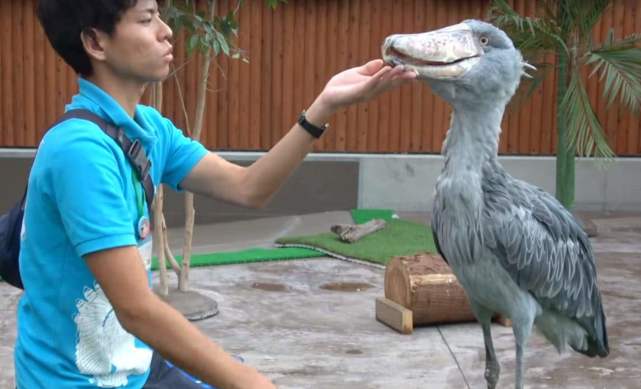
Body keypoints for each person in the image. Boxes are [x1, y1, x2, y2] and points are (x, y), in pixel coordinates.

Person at [16, 0, 417, 388]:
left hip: (134, 366)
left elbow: (249, 188)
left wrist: (322, 108)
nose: (166, 31)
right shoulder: (80, 153)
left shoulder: (147, 129)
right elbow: (137, 310)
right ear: (96, 42)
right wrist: (251, 383)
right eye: (147, 19)